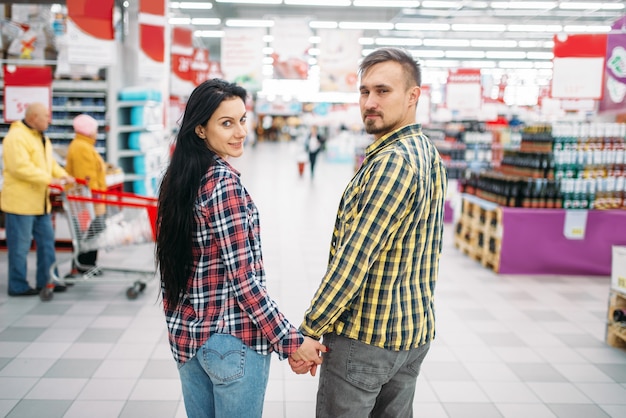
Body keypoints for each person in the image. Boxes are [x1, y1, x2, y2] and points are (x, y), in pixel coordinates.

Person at [290, 47, 448, 417]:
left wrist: (310, 330)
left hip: (366, 340)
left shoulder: (393, 161)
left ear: (413, 96)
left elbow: (353, 262)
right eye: (364, 91)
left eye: (383, 91)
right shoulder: (426, 151)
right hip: (411, 335)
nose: (370, 102)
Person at [155, 78, 326, 418]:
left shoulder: (178, 180)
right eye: (226, 123)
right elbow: (245, 284)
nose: (240, 132)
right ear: (200, 130)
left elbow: (172, 273)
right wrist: (292, 341)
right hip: (232, 344)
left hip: (191, 343)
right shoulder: (222, 183)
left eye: (242, 119)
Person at [1, 102, 74, 296]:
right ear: (33, 118)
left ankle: (49, 280)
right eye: (46, 116)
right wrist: (50, 180)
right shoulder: (16, 137)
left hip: (41, 203)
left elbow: (49, 164)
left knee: (47, 243)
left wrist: (63, 176)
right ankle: (17, 286)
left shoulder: (41, 138)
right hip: (20, 204)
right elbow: (20, 168)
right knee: (20, 247)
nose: (49, 119)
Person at [64, 114, 107, 275]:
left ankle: (87, 264)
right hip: (87, 202)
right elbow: (87, 178)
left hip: (89, 200)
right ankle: (84, 264)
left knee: (90, 232)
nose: (97, 133)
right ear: (88, 131)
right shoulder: (81, 147)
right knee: (89, 232)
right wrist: (94, 199)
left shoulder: (84, 145)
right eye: (95, 129)